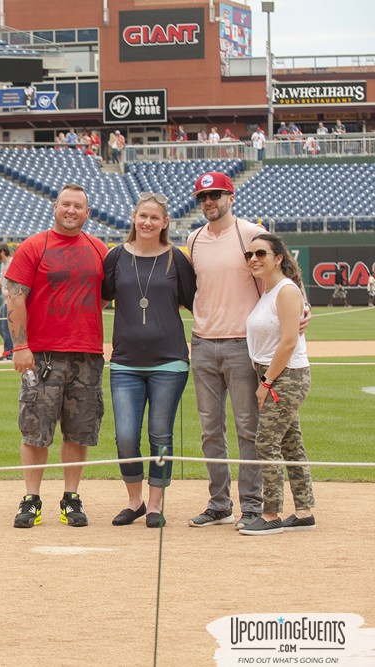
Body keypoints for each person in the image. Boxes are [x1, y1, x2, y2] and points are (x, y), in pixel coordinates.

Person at [7, 183, 108, 529]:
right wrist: (20, 346)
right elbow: (15, 296)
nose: (71, 211)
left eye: (78, 206)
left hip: (87, 354)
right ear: (55, 207)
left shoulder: (99, 249)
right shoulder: (34, 246)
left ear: (87, 213)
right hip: (43, 355)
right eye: (66, 204)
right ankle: (31, 498)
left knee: (79, 430)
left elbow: (103, 295)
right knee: (35, 427)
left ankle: (71, 497)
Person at [101, 193, 196, 528]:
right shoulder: (115, 257)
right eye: (143, 216)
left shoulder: (176, 258)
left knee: (160, 433)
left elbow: (196, 301)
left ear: (165, 222)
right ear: (133, 217)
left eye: (155, 217)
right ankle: (135, 501)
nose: (147, 222)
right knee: (126, 435)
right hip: (125, 363)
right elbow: (100, 298)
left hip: (169, 362)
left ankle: (155, 504)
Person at [186, 171, 268, 529]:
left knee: (248, 428)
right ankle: (220, 504)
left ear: (230, 197)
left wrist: (302, 305)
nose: (209, 201)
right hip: (203, 343)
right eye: (203, 197)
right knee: (210, 430)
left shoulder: (249, 233)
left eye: (216, 195)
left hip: (241, 344)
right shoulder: (193, 239)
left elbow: (278, 273)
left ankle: (252, 505)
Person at [240, 234, 315, 535]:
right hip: (276, 373)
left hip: (285, 375)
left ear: (278, 258)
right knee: (290, 443)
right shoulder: (269, 291)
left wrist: (267, 381)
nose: (253, 259)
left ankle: (270, 515)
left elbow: (288, 342)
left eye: (261, 253)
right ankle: (304, 512)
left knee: (266, 442)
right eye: (249, 255)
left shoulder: (285, 291)